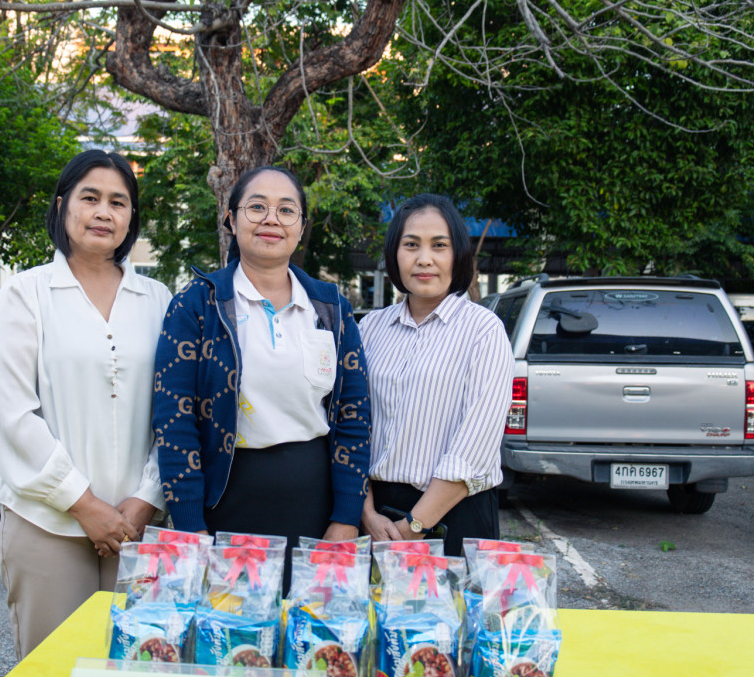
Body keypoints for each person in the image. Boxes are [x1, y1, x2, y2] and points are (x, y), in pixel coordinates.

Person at [0, 149, 171, 659]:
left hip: (140, 526)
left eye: (118, 202)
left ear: (131, 217)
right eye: (90, 198)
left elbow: (174, 413)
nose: (103, 212)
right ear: (62, 205)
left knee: (136, 676)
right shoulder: (26, 295)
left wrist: (147, 497)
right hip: (49, 523)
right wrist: (84, 505)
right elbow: (11, 416)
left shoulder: (158, 300)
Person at [154, 166, 372, 575]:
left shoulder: (331, 308)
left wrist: (346, 516)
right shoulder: (197, 305)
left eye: (286, 210)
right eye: (257, 207)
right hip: (223, 507)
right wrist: (189, 523)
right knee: (231, 615)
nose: (271, 219)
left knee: (310, 614)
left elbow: (354, 416)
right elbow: (175, 419)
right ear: (231, 219)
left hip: (317, 508)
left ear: (301, 227)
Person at [358, 194, 513, 557]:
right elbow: (351, 425)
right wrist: (365, 512)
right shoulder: (369, 329)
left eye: (439, 246)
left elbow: (475, 446)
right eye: (411, 245)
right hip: (374, 516)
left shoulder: (483, 330)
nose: (424, 259)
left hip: (453, 513)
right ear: (394, 254)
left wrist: (414, 526)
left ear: (457, 254)